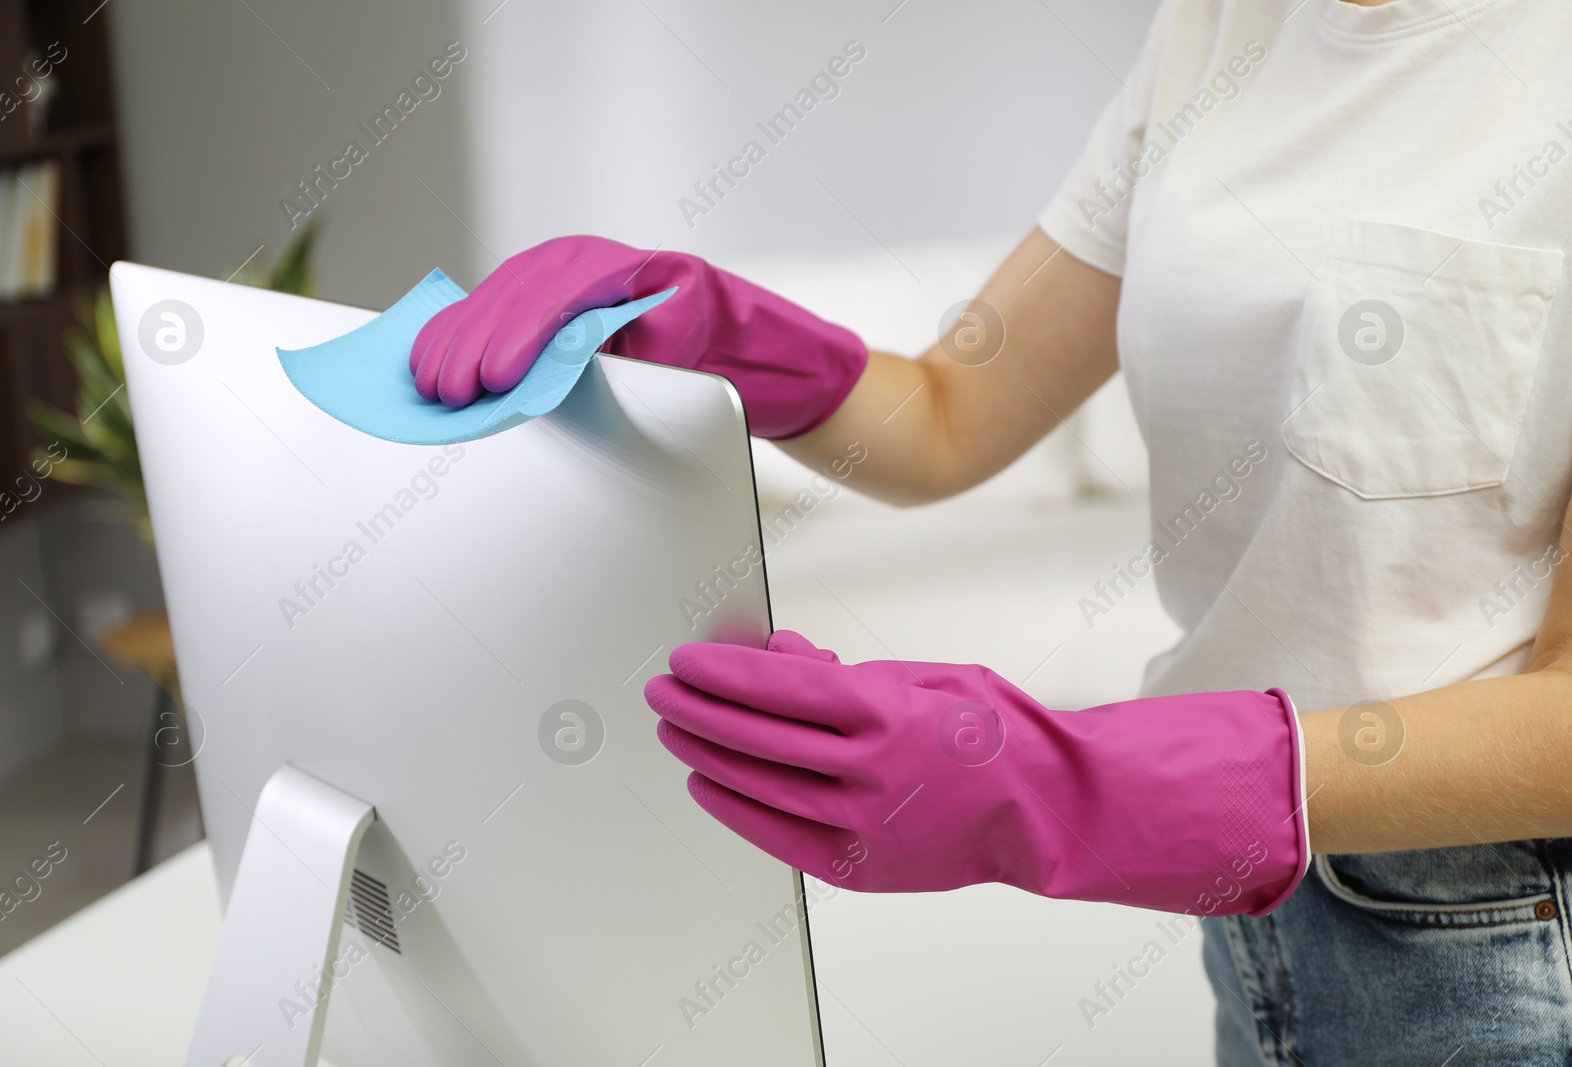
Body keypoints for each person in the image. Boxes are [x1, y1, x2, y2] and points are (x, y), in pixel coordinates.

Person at [410, 0, 1572, 1060]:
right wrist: (722, 330)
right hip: (1258, 898)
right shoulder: (1221, 27)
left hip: (1500, 917)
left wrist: (1068, 787)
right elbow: (955, 409)